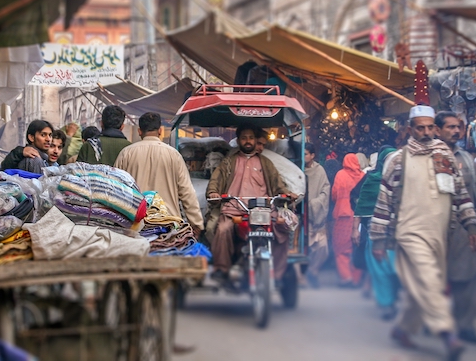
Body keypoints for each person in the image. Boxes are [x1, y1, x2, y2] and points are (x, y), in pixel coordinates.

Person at [371, 105, 476, 360]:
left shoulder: (446, 157)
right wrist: (377, 239)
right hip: (409, 233)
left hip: (441, 235)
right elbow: (384, 200)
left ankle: (403, 328)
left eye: (430, 127)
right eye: (421, 127)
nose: (427, 132)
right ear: (410, 129)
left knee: (424, 285)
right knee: (430, 280)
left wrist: (472, 225)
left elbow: (461, 194)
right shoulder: (399, 159)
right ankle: (448, 335)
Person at [206, 124, 290, 283]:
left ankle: (278, 275)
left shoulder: (266, 163)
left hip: (263, 210)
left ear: (255, 140)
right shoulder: (229, 162)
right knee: (223, 229)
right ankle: (221, 269)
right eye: (244, 138)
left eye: (251, 137)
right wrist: (213, 193)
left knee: (282, 229)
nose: (248, 141)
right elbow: (215, 181)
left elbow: (278, 184)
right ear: (238, 141)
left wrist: (285, 193)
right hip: (234, 208)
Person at [435, 111, 476, 344]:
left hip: (463, 229)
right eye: (450, 127)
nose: (456, 131)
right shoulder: (428, 157)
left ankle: (465, 326)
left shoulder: (466, 158)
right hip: (435, 227)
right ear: (438, 130)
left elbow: (475, 193)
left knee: (465, 278)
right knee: (433, 279)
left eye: (458, 127)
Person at [114, 112, 204, 236]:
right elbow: (187, 192)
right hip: (168, 225)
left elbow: (115, 191)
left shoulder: (126, 154)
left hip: (134, 226)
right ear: (160, 130)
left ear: (140, 131)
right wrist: (196, 223)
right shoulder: (174, 155)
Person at [352, 145, 399, 320]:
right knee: (380, 268)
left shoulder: (404, 180)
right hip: (376, 231)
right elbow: (361, 205)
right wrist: (355, 230)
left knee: (397, 268)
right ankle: (387, 304)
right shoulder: (372, 180)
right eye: (389, 160)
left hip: (398, 231)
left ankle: (398, 300)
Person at [331, 153, 365, 287]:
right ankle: (356, 278)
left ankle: (346, 277)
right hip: (358, 215)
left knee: (340, 247)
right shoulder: (363, 175)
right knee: (357, 246)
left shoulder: (340, 174)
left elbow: (334, 194)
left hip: (342, 215)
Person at [304, 142, 330, 289]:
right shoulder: (297, 169)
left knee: (322, 248)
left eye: (306, 153)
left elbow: (326, 190)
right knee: (300, 248)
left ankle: (313, 271)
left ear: (313, 155)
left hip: (316, 216)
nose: (303, 156)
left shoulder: (320, 171)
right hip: (302, 216)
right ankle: (301, 276)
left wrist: (315, 203)